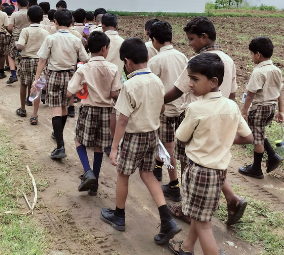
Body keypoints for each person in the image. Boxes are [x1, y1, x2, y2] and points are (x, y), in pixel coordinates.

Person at [163, 17, 246, 226]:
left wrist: (155, 101)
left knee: (190, 163)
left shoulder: (199, 62)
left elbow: (178, 90)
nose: (190, 44)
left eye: (192, 39)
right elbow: (233, 94)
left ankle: (187, 208)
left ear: (204, 37)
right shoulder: (228, 60)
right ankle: (232, 198)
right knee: (214, 163)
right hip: (222, 118)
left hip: (198, 119)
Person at [170, 53, 254, 255]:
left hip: (199, 172)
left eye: (195, 79)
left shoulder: (195, 108)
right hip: (218, 173)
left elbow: (181, 137)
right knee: (199, 215)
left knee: (203, 223)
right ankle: (187, 247)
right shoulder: (232, 106)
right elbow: (248, 137)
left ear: (213, 81)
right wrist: (223, 140)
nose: (190, 84)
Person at [101, 38, 181, 246]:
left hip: (134, 137)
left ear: (127, 62)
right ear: (146, 57)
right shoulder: (156, 81)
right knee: (148, 174)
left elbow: (122, 119)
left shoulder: (129, 85)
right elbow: (161, 108)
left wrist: (114, 148)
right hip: (152, 135)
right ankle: (166, 219)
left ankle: (119, 215)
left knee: (123, 175)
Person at [67, 31, 122, 196]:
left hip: (89, 109)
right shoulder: (113, 68)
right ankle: (94, 183)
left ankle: (87, 171)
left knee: (78, 139)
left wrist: (81, 89)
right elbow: (114, 93)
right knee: (99, 145)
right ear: (104, 48)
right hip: (106, 111)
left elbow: (70, 92)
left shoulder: (83, 69)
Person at [33, 9, 89, 159]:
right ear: (71, 23)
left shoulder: (51, 38)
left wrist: (37, 78)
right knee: (64, 107)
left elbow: (42, 60)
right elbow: (84, 59)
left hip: (54, 75)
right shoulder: (76, 39)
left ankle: (60, 146)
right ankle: (58, 137)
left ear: (55, 22)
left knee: (56, 110)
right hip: (70, 76)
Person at [147, 21, 188, 203]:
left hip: (166, 110)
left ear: (154, 40)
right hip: (182, 108)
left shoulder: (155, 61)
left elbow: (151, 87)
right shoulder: (183, 57)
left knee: (167, 148)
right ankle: (183, 184)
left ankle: (174, 185)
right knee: (182, 149)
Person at [239, 37, 284, 179]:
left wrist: (244, 112)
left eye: (252, 53)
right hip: (271, 107)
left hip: (260, 108)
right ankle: (273, 156)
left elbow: (250, 94)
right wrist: (281, 111)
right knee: (259, 132)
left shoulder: (258, 72)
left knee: (257, 139)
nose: (251, 56)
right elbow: (279, 92)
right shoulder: (276, 70)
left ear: (258, 54)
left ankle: (256, 169)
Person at [16, 6, 50, 123]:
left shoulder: (25, 30)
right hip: (40, 62)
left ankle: (23, 109)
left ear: (28, 18)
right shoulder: (45, 32)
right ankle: (34, 115)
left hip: (26, 60)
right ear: (42, 18)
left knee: (23, 84)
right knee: (37, 88)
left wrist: (16, 44)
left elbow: (20, 46)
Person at [101, 13, 125, 156]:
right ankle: (112, 140)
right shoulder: (123, 42)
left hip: (100, 79)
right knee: (113, 112)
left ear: (102, 25)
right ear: (117, 26)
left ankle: (99, 138)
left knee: (98, 108)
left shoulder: (100, 39)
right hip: (117, 80)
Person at [7, 0, 31, 85]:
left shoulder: (15, 14)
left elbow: (10, 28)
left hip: (16, 36)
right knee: (23, 55)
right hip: (28, 36)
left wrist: (12, 33)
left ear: (17, 4)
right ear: (28, 4)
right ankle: (22, 71)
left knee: (11, 55)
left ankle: (13, 74)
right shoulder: (30, 13)